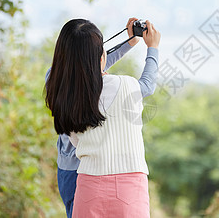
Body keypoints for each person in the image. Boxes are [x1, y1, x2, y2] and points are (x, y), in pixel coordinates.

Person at [45, 18, 160, 217]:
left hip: (82, 173)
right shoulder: (122, 85)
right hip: (95, 174)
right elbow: (146, 84)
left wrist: (129, 43)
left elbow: (86, 65)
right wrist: (152, 48)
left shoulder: (56, 81)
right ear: (100, 57)